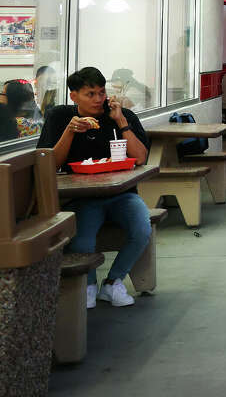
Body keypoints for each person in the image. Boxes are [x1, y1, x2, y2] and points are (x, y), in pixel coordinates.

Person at [37, 67, 151, 308]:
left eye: (101, 93)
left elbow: (140, 158)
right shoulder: (60, 117)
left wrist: (120, 121)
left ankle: (113, 282)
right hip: (83, 197)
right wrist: (70, 131)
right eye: (90, 94)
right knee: (82, 241)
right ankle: (88, 285)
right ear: (74, 96)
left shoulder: (122, 114)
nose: (98, 100)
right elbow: (50, 164)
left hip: (122, 194)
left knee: (141, 228)